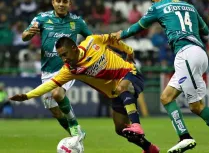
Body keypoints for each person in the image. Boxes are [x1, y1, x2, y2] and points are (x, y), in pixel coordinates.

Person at [111, 0, 209, 153]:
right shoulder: (189, 6)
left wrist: (120, 35)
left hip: (186, 53)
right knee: (166, 97)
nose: (152, 3)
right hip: (198, 53)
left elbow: (139, 26)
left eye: (153, 0)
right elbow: (205, 30)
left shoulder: (159, 6)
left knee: (196, 106)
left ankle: (188, 138)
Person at [10, 34, 159, 153]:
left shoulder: (92, 41)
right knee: (120, 129)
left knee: (122, 88)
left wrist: (129, 51)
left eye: (65, 54)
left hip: (129, 74)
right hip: (115, 94)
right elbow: (50, 84)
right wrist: (27, 96)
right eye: (61, 56)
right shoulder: (70, 70)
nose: (64, 59)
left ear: (74, 48)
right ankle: (149, 148)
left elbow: (112, 39)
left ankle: (137, 124)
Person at [21, 0, 92, 139]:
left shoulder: (77, 22)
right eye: (58, 1)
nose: (61, 4)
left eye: (64, 1)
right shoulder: (41, 19)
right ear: (53, 3)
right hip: (47, 70)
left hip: (68, 67)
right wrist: (29, 33)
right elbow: (24, 37)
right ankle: (75, 136)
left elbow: (92, 39)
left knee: (57, 93)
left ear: (69, 3)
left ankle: (74, 125)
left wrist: (82, 53)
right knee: (55, 110)